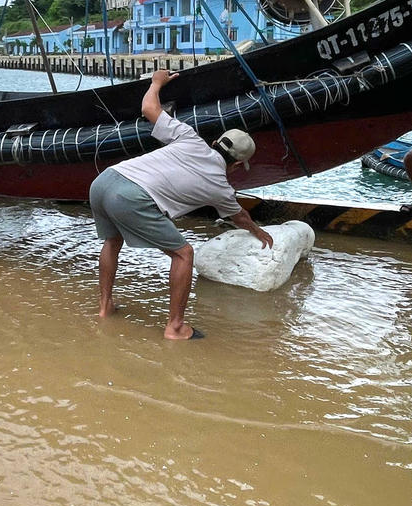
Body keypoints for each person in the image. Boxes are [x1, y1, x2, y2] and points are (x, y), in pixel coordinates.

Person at [88, 70, 274, 341]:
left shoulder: (189, 137)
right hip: (129, 197)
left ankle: (105, 307)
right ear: (236, 165)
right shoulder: (220, 187)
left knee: (113, 241)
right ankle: (175, 327)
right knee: (184, 254)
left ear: (215, 142)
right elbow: (240, 217)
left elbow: (148, 108)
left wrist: (156, 83)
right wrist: (258, 231)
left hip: (104, 181)